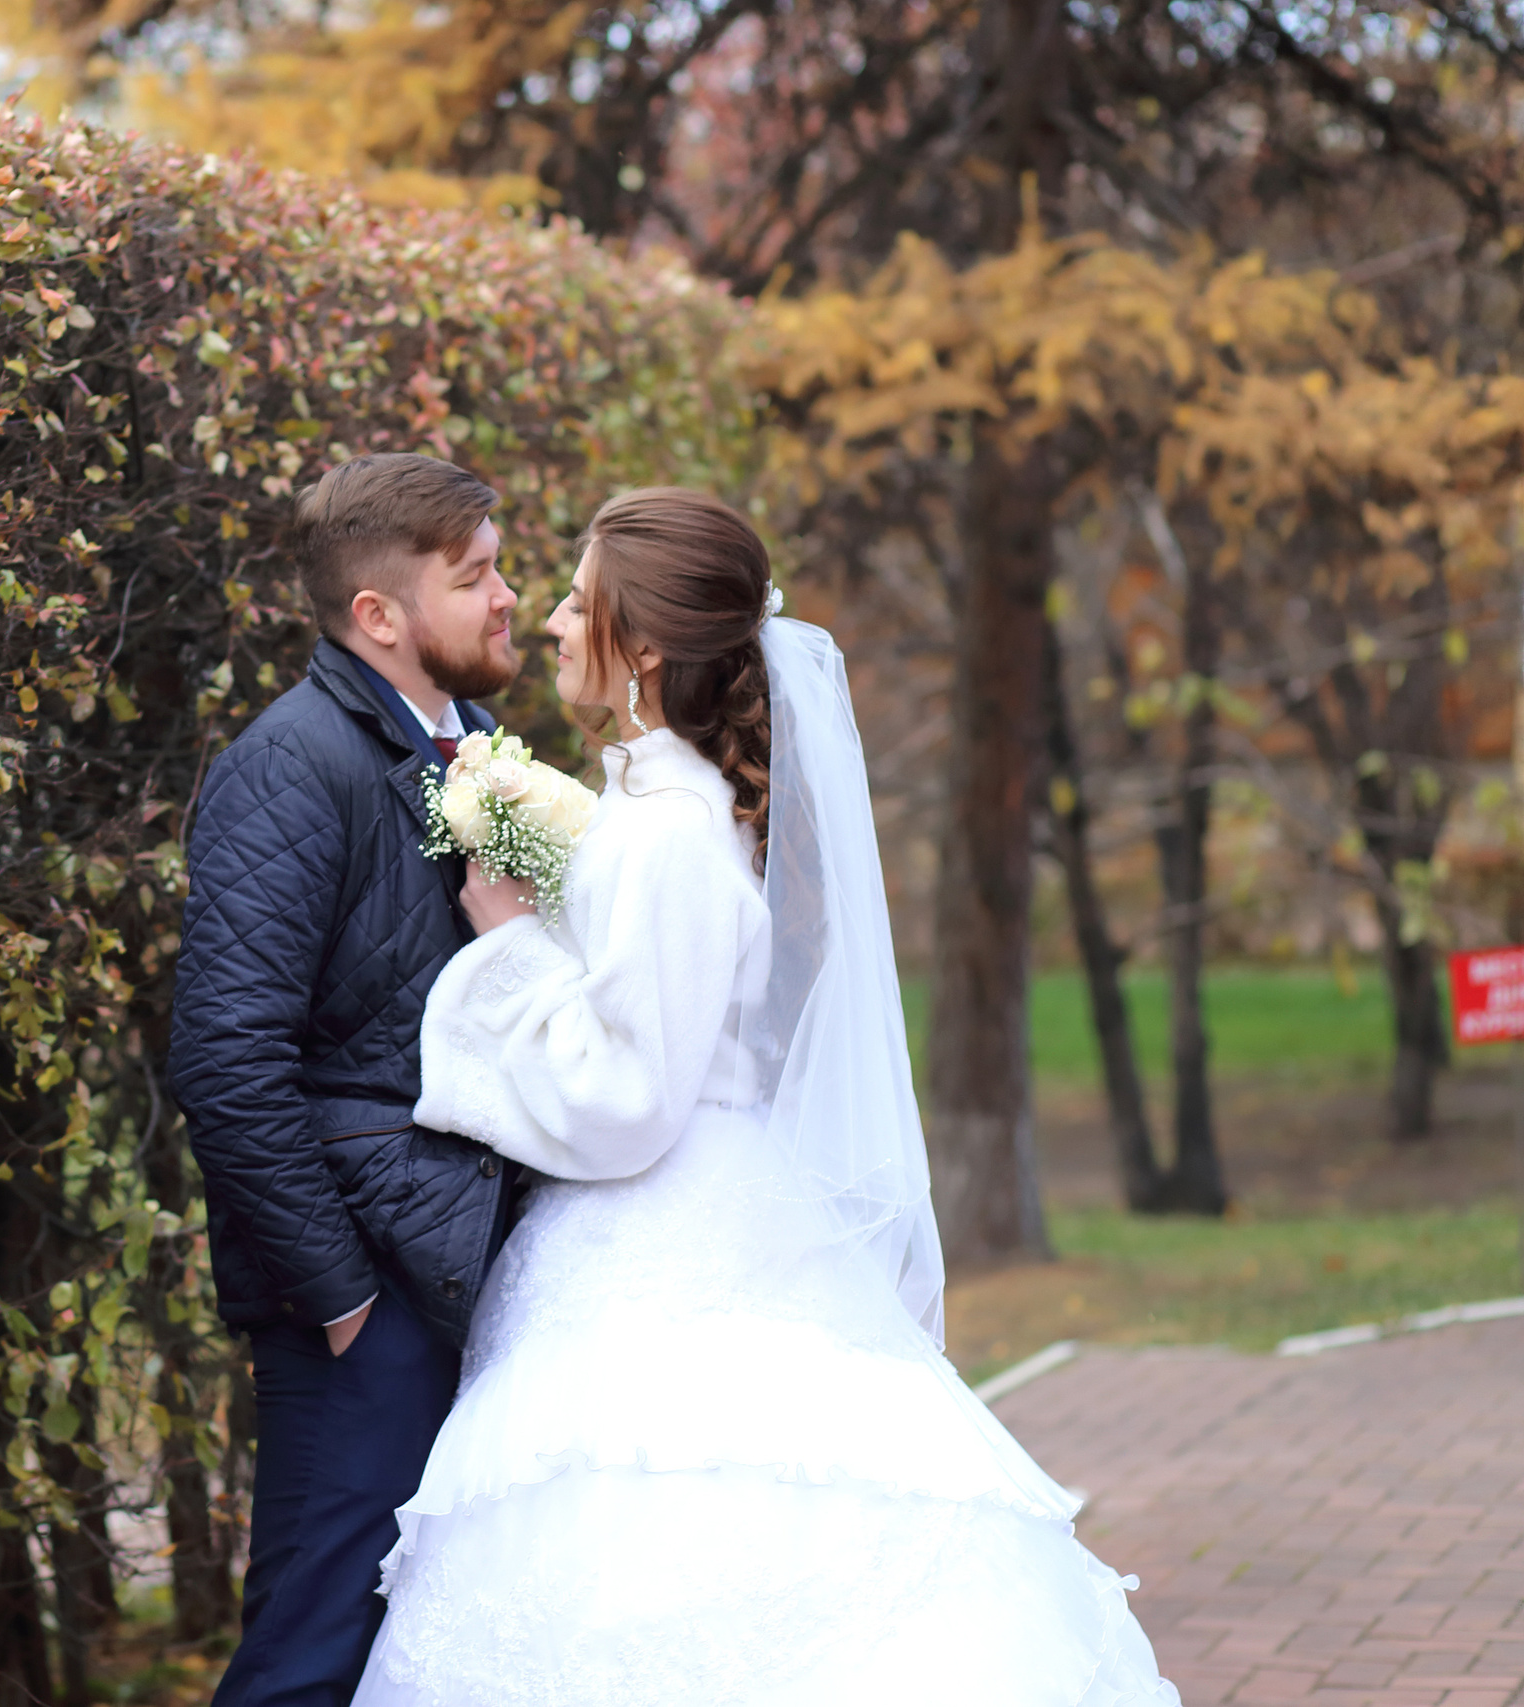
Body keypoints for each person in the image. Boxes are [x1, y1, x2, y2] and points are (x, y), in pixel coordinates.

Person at [351, 488, 1182, 1705]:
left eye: (581, 602)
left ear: (640, 645)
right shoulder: (662, 804)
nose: (557, 620)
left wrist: (507, 946)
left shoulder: (670, 828)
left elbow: (630, 1094)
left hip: (670, 1227)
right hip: (713, 1206)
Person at [170, 453, 530, 1706]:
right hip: (361, 1298)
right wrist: (335, 1300)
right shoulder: (292, 764)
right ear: (379, 614)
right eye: (475, 576)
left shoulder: (476, 749)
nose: (508, 598)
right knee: (311, 1655)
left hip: (461, 1268)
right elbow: (225, 1056)